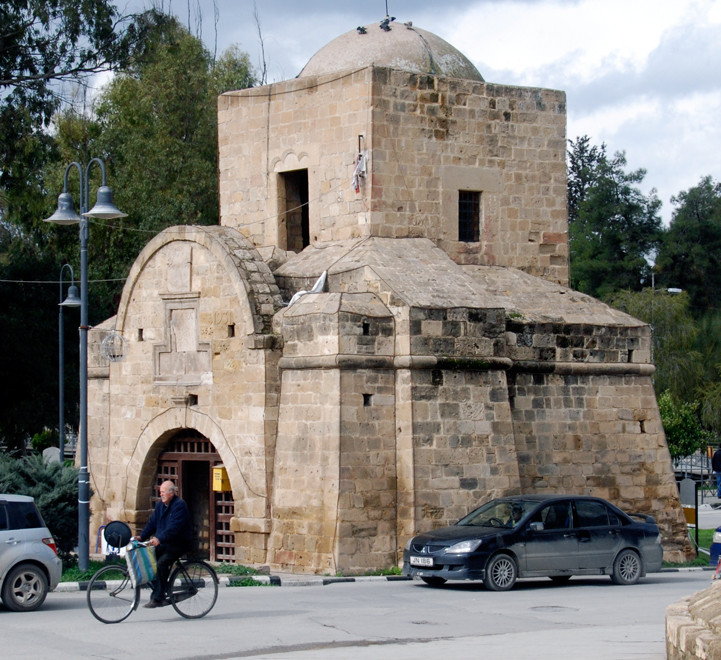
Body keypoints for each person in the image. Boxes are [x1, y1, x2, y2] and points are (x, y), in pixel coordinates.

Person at [134, 480, 194, 608]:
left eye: (163, 492)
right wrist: (141, 536)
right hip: (166, 542)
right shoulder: (161, 506)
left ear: (171, 493)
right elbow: (152, 523)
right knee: (152, 562)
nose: (161, 495)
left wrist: (159, 538)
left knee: (162, 563)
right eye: (160, 492)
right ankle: (162, 588)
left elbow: (174, 528)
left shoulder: (179, 505)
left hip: (179, 543)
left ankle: (157, 598)